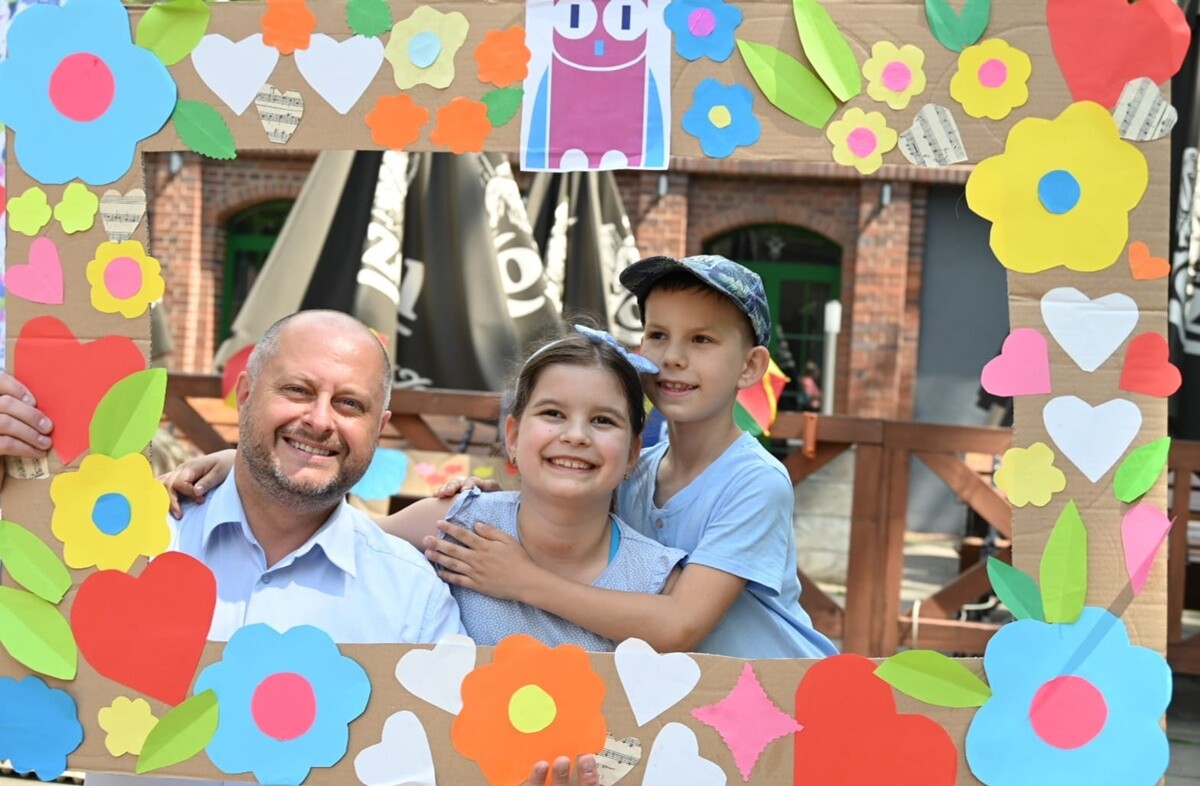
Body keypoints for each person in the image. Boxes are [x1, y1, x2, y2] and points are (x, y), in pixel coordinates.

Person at [0, 310, 598, 786]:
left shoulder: (411, 596)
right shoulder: (129, 541)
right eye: (297, 390)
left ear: (380, 426)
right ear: (245, 394)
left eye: (350, 404)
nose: (320, 420)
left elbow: (449, 758)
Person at [424, 255, 838, 658]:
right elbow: (570, 506)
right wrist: (497, 500)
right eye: (658, 335)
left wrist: (524, 581)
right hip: (686, 691)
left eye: (701, 340)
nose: (673, 357)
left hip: (777, 689)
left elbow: (680, 625)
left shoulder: (756, 482)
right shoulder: (634, 471)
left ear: (750, 366)